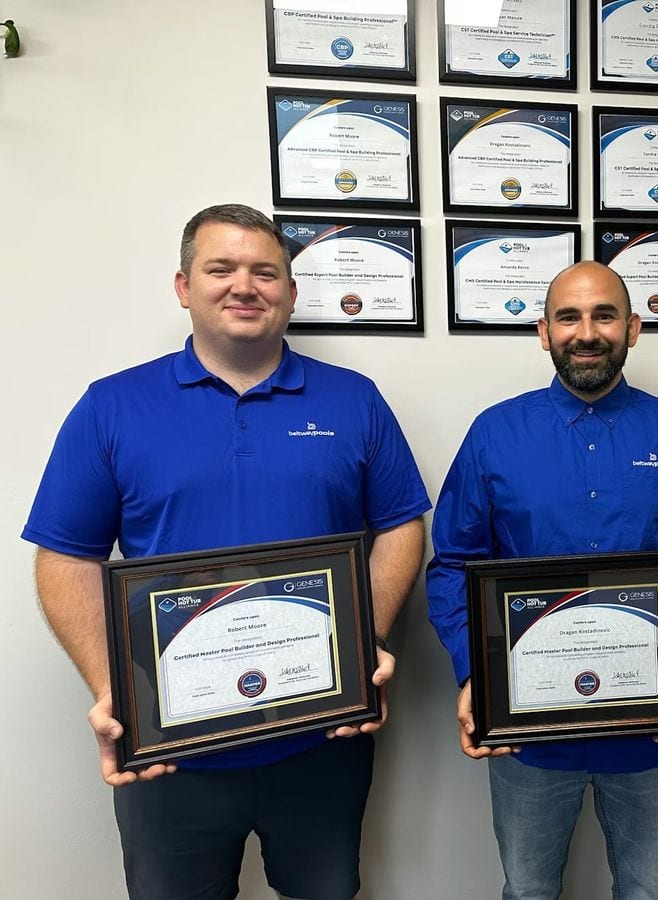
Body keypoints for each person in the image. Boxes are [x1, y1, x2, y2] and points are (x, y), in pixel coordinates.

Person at [22, 204, 430, 900]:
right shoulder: (112, 407)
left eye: (265, 272)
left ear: (291, 293)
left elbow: (400, 525)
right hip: (173, 753)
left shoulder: (353, 401)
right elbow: (65, 557)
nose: (245, 285)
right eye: (222, 268)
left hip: (320, 742)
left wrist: (366, 642)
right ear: (184, 286)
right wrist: (112, 688)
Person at [426, 260, 658, 899]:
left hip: (648, 732)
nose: (587, 332)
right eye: (568, 316)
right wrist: (476, 672)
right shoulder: (495, 435)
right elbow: (452, 566)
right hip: (529, 732)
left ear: (632, 328)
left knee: (645, 892)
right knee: (527, 892)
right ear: (543, 332)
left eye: (604, 315)